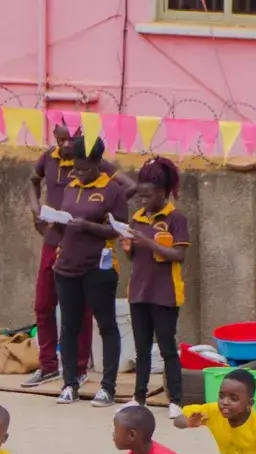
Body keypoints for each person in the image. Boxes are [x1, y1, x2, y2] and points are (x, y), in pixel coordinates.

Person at [24, 122, 113, 388]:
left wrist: (97, 219)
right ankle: (48, 365)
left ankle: (79, 367)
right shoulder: (47, 158)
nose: (64, 145)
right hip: (52, 241)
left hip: (79, 246)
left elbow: (125, 188)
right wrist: (35, 210)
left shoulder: (93, 164)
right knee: (43, 303)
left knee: (79, 309)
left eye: (69, 140)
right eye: (59, 139)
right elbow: (32, 181)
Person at [52, 136, 123, 406]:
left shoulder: (111, 190)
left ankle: (108, 387)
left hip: (98, 268)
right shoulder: (70, 187)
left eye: (84, 168)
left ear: (98, 164)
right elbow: (63, 221)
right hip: (66, 267)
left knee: (106, 326)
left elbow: (118, 229)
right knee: (69, 326)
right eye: (75, 168)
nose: (78, 173)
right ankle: (70, 382)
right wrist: (54, 221)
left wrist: (89, 226)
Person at [126, 156, 189, 413]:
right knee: (141, 350)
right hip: (138, 292)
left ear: (162, 193)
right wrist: (129, 247)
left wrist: (148, 241)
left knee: (167, 349)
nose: (143, 202)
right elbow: (135, 257)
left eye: (147, 197)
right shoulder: (137, 218)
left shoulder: (176, 218)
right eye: (139, 197)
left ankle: (175, 400)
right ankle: (138, 398)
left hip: (165, 294)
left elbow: (179, 255)